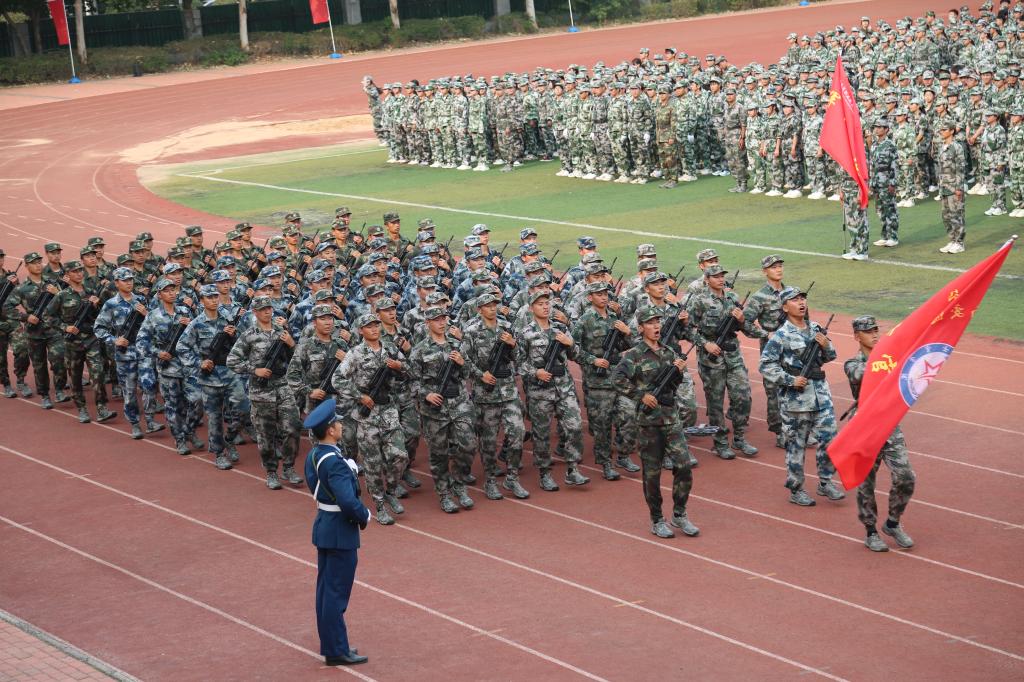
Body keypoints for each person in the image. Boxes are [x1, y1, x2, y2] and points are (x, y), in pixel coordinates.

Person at [613, 306, 698, 539]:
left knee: (684, 466)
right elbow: (617, 379)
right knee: (652, 474)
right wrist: (640, 395)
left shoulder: (669, 352)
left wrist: (678, 372)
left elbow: (673, 386)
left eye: (658, 322)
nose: (656, 326)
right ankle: (657, 518)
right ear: (641, 328)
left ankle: (679, 513)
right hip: (648, 423)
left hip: (671, 418)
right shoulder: (633, 355)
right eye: (650, 323)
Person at [758, 287, 844, 506]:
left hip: (821, 397)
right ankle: (796, 489)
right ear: (785, 307)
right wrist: (789, 380)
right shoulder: (781, 336)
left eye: (803, 298)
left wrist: (826, 345)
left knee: (830, 439)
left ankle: (826, 482)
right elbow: (766, 365)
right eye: (795, 300)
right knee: (796, 445)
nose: (801, 302)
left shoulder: (815, 328)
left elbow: (830, 356)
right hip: (796, 402)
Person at [303, 398, 370, 667]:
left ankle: (333, 644)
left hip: (325, 525)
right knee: (335, 594)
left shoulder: (315, 455)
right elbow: (347, 501)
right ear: (330, 430)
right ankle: (336, 649)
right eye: (338, 423)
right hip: (340, 530)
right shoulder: (335, 462)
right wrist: (364, 514)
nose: (341, 425)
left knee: (326, 591)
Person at [842, 315, 916, 552]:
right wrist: (888, 359)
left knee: (906, 477)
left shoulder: (890, 360)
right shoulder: (853, 364)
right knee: (866, 483)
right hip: (864, 428)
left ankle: (892, 522)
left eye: (876, 330)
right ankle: (871, 531)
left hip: (889, 425)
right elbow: (863, 375)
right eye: (868, 331)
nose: (874, 335)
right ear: (857, 336)